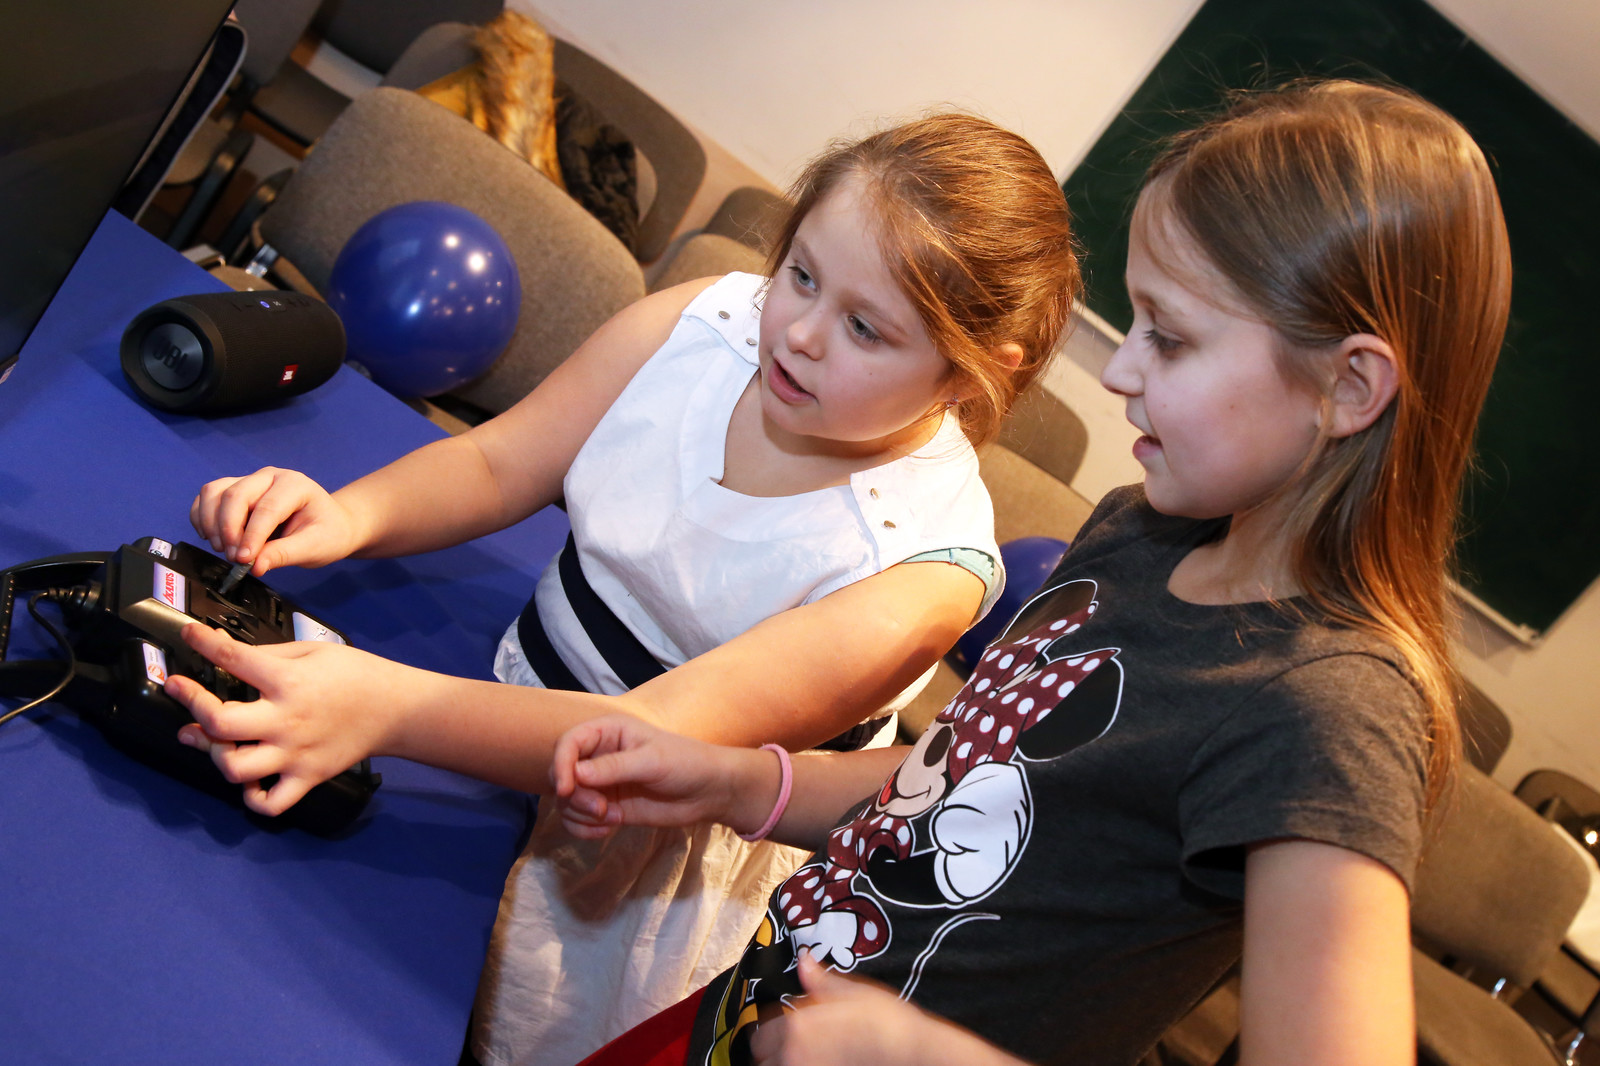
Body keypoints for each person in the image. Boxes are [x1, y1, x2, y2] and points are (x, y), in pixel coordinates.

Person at [544, 79, 1514, 1066]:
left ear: (1349, 385)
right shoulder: (1140, 532)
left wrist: (922, 1055)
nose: (1120, 372)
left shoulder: (1332, 709)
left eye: (1170, 337)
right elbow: (955, 779)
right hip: (748, 1009)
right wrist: (741, 782)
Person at [168, 112, 1081, 1066]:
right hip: (496, 703)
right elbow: (501, 460)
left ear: (972, 373)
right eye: (803, 274)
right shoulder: (710, 322)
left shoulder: (920, 573)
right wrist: (349, 514)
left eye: (864, 328)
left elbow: (643, 740)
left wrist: (384, 707)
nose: (801, 333)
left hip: (638, 859)